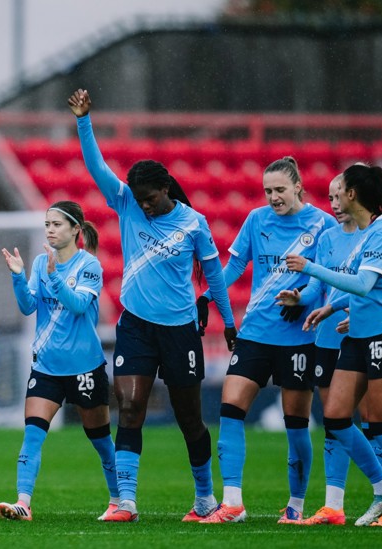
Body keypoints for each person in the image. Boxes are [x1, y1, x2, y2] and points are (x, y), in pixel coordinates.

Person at [68, 89, 236, 523]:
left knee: (189, 419)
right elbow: (96, 167)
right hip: (136, 326)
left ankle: (204, 500)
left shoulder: (193, 223)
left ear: (165, 189)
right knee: (130, 406)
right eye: (138, 199)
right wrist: (85, 121)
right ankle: (126, 502)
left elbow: (214, 275)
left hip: (179, 330)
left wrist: (229, 321)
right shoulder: (125, 203)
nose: (143, 205)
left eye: (150, 198)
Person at [282, 164, 382, 529]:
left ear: (353, 194)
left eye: (339, 189)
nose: (334, 198)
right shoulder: (361, 232)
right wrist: (331, 306)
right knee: (336, 415)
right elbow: (361, 288)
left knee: (381, 424)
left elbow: (364, 285)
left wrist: (310, 269)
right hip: (358, 334)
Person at [199, 156, 337, 524]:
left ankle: (296, 505)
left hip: (299, 337)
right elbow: (233, 269)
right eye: (268, 191)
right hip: (256, 332)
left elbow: (325, 277)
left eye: (280, 190)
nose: (273, 197)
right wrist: (205, 297)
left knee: (296, 423)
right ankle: (232, 503)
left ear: (298, 188)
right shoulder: (256, 220)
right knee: (230, 409)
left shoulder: (323, 225)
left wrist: (304, 298)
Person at [0, 201, 119, 522]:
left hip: (84, 368)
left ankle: (120, 500)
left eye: (56, 224)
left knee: (101, 440)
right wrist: (18, 277)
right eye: (47, 224)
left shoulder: (89, 266)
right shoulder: (40, 262)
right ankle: (23, 503)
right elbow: (27, 307)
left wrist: (53, 278)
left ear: (76, 230)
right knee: (33, 434)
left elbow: (78, 305)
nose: (49, 230)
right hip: (46, 366)